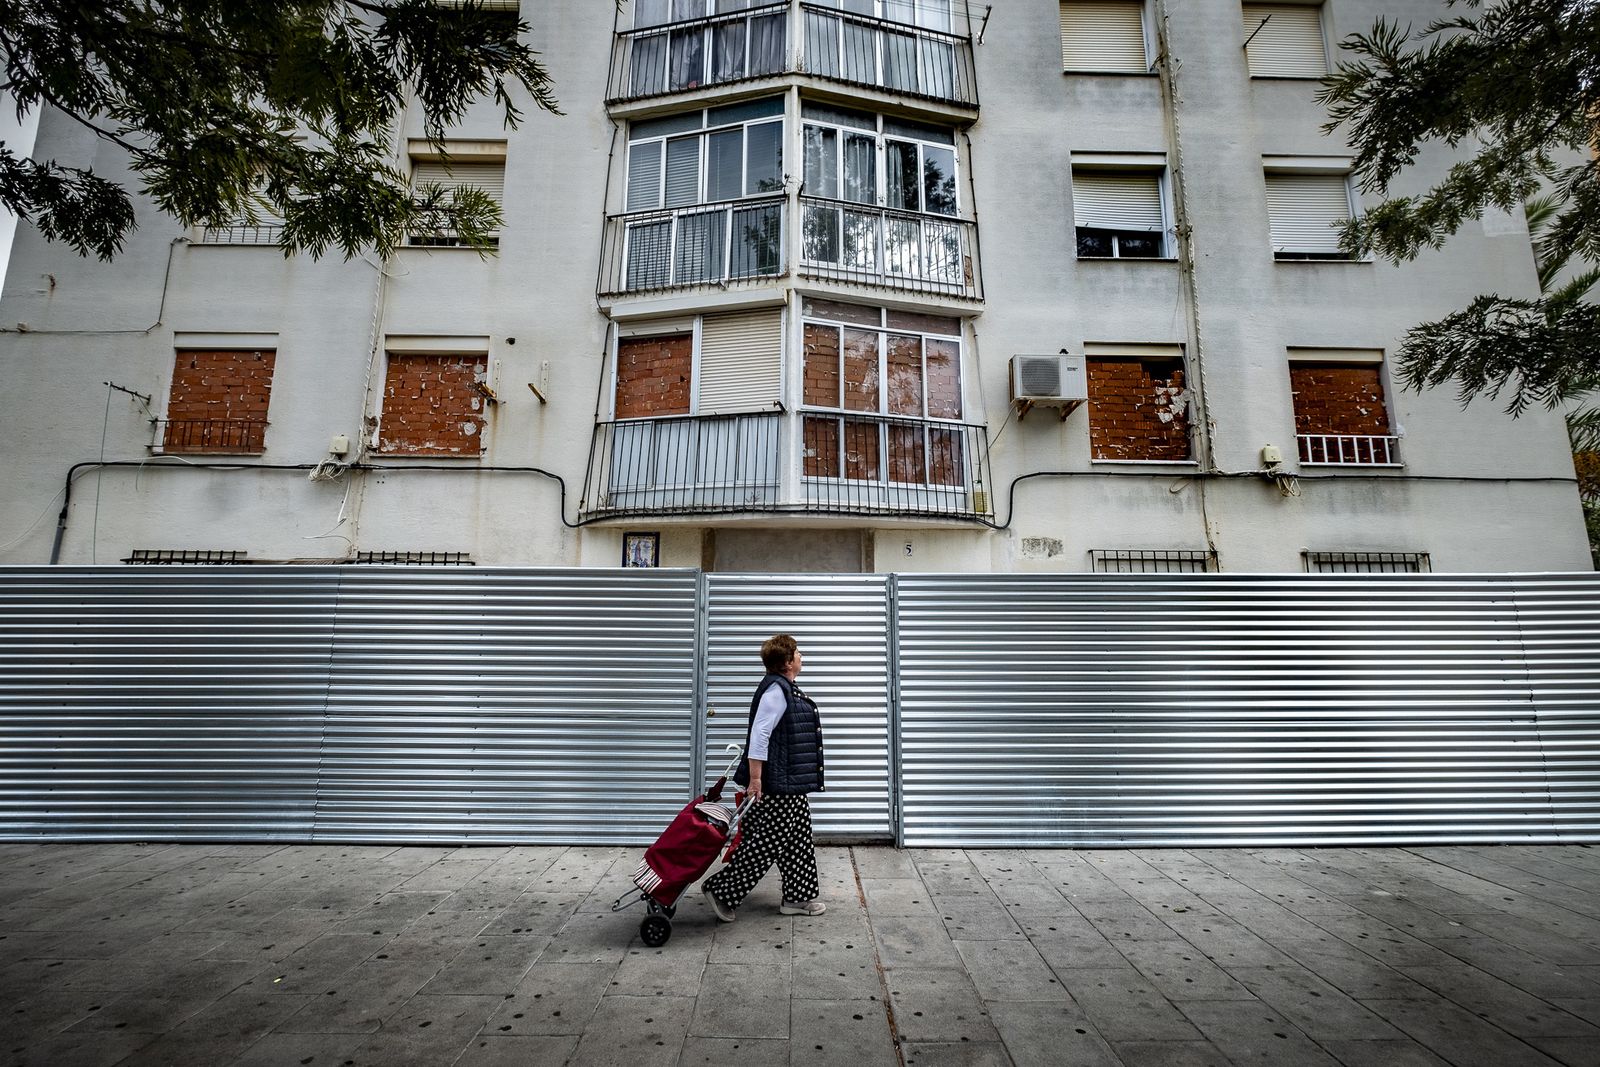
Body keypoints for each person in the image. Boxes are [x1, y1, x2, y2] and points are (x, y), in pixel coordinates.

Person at [701, 633, 826, 921]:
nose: (801, 657)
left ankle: (797, 897)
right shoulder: (776, 691)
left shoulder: (785, 688)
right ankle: (722, 891)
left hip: (790, 782)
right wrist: (755, 780)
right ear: (787, 662)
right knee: (767, 842)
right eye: (797, 653)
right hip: (777, 784)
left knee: (798, 838)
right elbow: (759, 736)